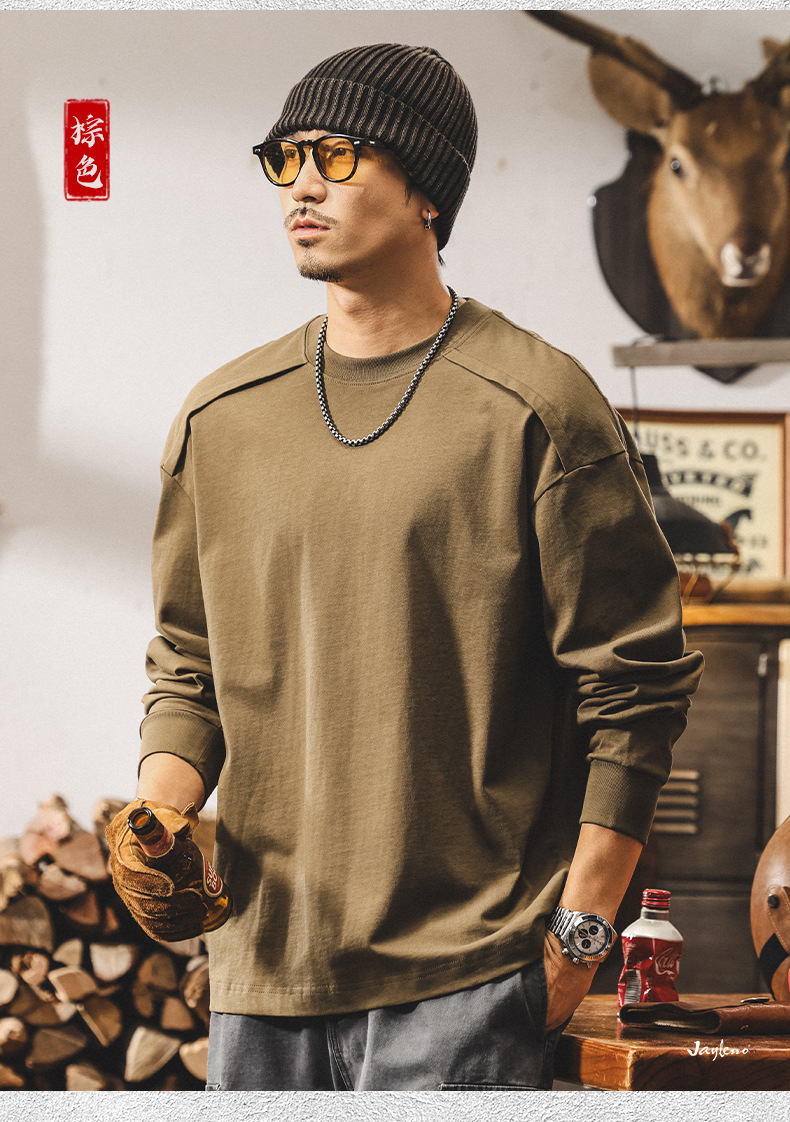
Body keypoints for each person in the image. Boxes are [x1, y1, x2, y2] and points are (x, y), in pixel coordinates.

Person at [106, 42, 703, 1091]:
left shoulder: (538, 408)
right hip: (261, 978)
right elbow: (190, 663)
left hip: (468, 980)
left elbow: (634, 693)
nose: (301, 185)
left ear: (428, 189)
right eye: (285, 158)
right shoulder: (221, 418)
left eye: (337, 156)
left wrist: (577, 938)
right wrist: (157, 814)